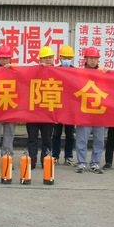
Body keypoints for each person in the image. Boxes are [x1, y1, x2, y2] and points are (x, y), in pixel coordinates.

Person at [76, 47, 106, 174]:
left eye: (95, 58)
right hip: (84, 111)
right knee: (82, 139)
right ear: (86, 59)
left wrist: (109, 73)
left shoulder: (103, 72)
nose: (93, 60)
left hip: (100, 112)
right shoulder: (79, 73)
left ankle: (95, 163)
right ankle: (81, 163)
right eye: (91, 58)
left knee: (99, 140)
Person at [26, 46, 55, 174]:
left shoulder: (59, 72)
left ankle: (46, 161)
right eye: (45, 58)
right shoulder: (33, 71)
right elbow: (21, 75)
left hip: (48, 112)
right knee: (32, 138)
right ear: (40, 59)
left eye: (50, 57)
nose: (48, 60)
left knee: (47, 140)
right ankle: (31, 161)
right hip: (33, 112)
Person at [0, 46, 17, 159]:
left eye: (7, 58)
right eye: (2, 58)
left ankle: (7, 155)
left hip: (11, 106)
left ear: (10, 59)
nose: (5, 61)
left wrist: (13, 69)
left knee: (9, 133)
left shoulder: (15, 70)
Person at [52, 45, 75, 166]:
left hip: (71, 108)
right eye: (64, 57)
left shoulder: (76, 72)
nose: (67, 60)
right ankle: (55, 156)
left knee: (70, 134)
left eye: (69, 57)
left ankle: (68, 157)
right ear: (60, 58)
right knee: (56, 133)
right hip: (58, 107)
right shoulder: (55, 70)